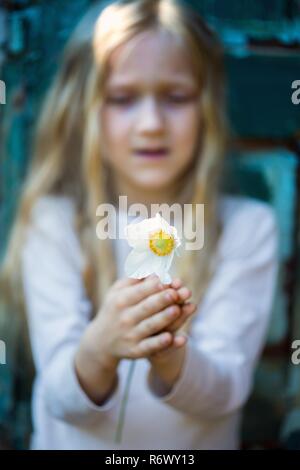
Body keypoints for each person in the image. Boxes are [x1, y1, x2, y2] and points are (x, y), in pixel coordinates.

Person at [1, 0, 279, 450]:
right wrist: (102, 343)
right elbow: (58, 395)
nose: (151, 125)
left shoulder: (247, 227)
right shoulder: (54, 222)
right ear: (85, 109)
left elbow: (226, 388)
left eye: (176, 97)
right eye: (123, 99)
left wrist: (171, 356)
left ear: (206, 106)